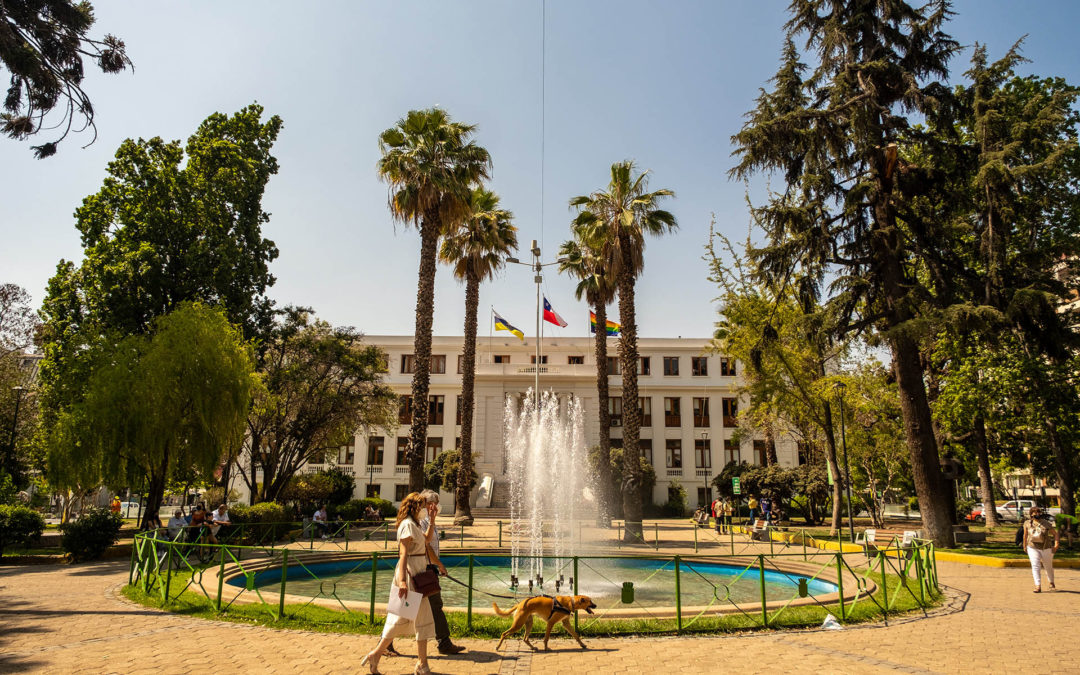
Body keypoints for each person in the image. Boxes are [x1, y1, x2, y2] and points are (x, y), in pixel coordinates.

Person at [361, 492, 438, 675]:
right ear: (414, 507)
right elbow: (403, 554)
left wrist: (432, 520)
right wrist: (402, 581)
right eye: (422, 506)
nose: (424, 510)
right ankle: (378, 654)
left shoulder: (414, 525)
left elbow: (426, 541)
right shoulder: (407, 525)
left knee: (422, 618)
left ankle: (421, 664)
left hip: (418, 573)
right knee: (399, 619)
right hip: (410, 576)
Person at [385, 489, 465, 659]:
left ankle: (440, 643)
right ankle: (385, 645)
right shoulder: (413, 522)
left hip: (425, 570)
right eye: (431, 503)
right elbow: (421, 549)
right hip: (419, 571)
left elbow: (427, 541)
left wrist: (433, 518)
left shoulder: (423, 521)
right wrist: (438, 564)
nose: (434, 506)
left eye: (436, 502)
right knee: (406, 608)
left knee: (428, 607)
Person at [1023, 506, 1060, 593]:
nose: (1037, 514)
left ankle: (1051, 581)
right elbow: (1025, 535)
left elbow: (1055, 534)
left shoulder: (1046, 523)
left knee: (1048, 566)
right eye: (1035, 513)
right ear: (1031, 514)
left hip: (1046, 547)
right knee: (1035, 565)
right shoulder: (1027, 523)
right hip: (1032, 547)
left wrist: (1056, 545)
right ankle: (1037, 585)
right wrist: (1024, 546)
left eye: (1039, 512)